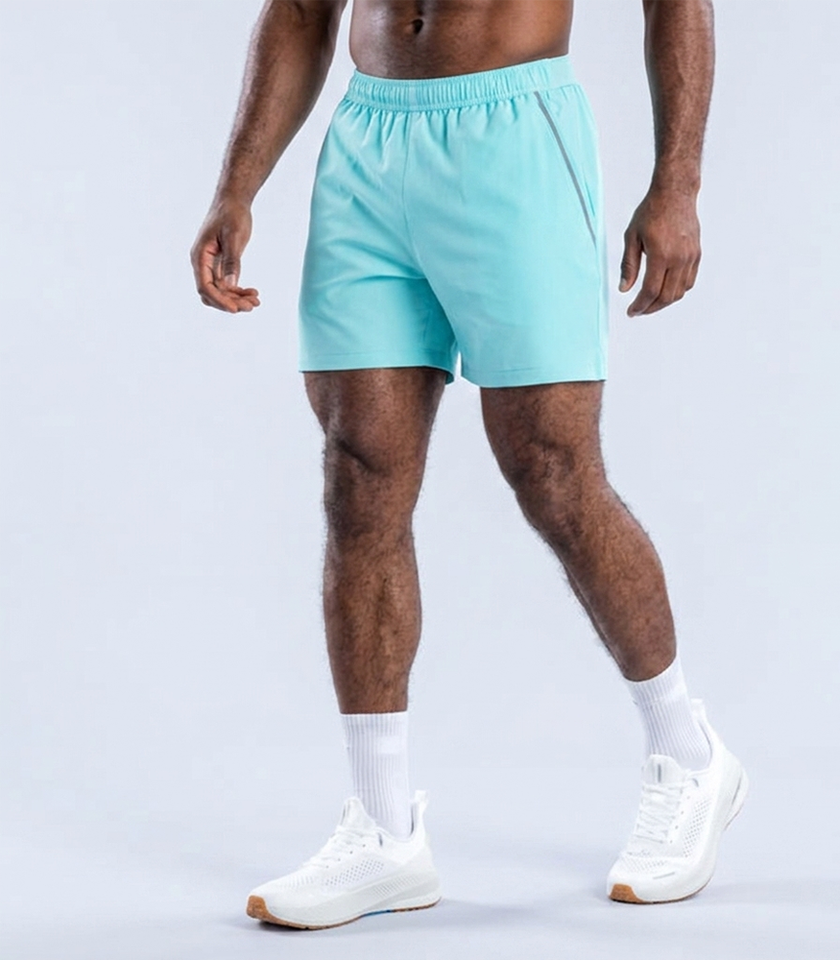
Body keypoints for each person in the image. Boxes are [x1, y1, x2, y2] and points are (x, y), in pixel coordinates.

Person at [190, 0, 746, 930]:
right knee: (358, 475)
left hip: (515, 135)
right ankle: (383, 828)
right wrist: (237, 185)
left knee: (553, 471)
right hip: (368, 147)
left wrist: (677, 182)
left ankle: (689, 754)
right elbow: (301, 10)